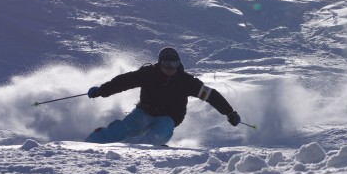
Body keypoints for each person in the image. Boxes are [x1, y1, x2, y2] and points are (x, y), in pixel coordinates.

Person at [85, 47, 241, 145]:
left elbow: (211, 95)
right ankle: (89, 143)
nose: (171, 68)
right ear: (160, 63)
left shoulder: (187, 82)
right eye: (167, 64)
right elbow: (124, 82)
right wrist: (101, 90)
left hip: (169, 118)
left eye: (174, 64)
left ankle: (142, 154)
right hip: (144, 112)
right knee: (125, 129)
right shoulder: (148, 74)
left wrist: (229, 112)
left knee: (160, 130)